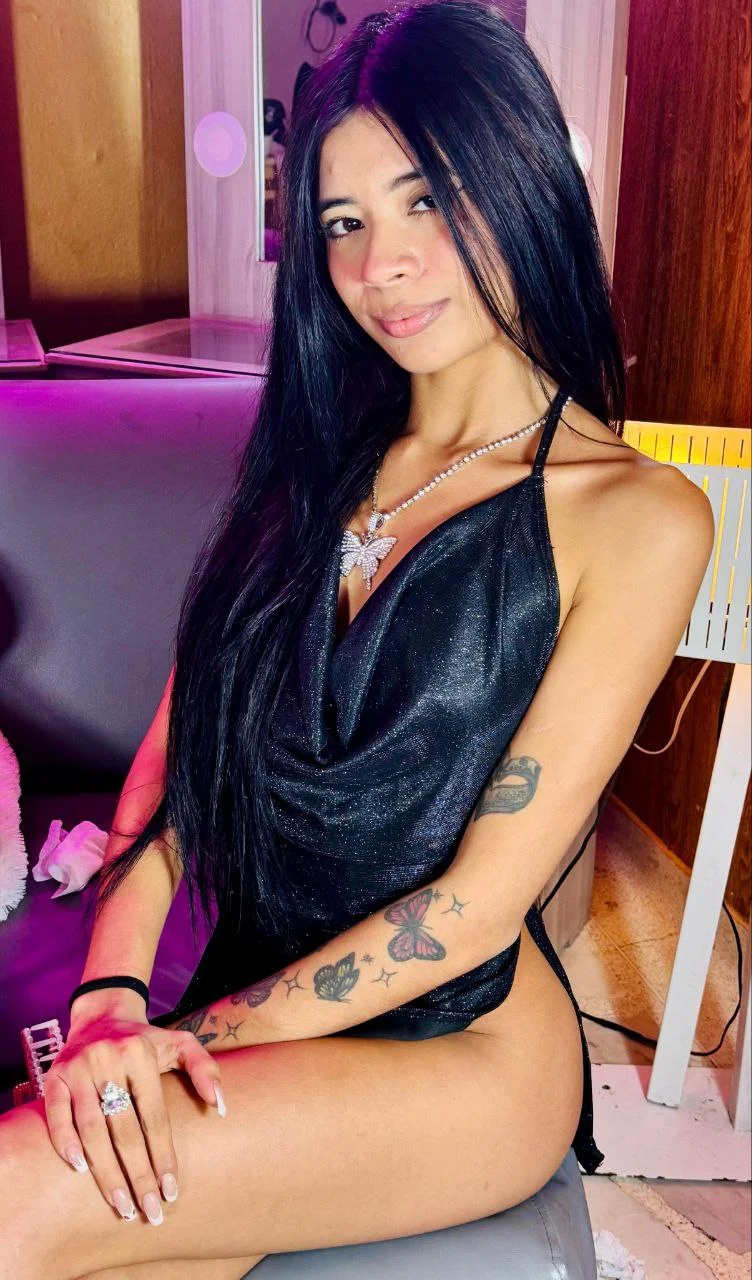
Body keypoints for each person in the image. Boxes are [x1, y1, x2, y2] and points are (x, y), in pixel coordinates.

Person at [0, 3, 714, 1277]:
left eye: (426, 198)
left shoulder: (637, 515)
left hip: (458, 1048)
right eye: (342, 221)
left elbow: (472, 908)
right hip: (256, 990)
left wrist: (181, 1040)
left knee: (24, 1184)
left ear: (519, 175)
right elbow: (177, 763)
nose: (381, 263)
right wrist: (108, 1000)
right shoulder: (310, 459)